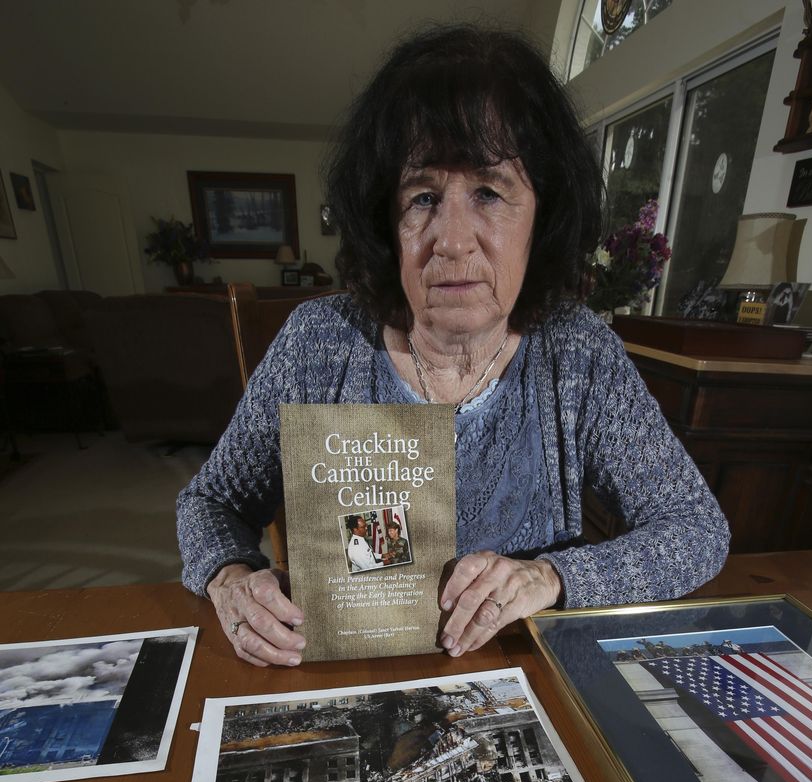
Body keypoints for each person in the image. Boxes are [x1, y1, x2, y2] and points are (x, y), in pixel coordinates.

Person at [177, 24, 729, 669]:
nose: (453, 239)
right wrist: (230, 578)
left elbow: (696, 528)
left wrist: (550, 577)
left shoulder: (578, 353)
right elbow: (211, 502)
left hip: (521, 670)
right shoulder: (320, 343)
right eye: (423, 197)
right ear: (386, 219)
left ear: (543, 215)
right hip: (350, 670)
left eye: (489, 192)